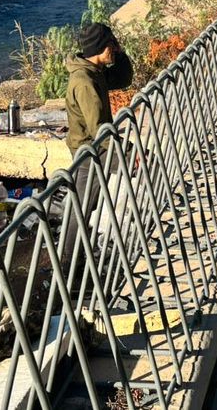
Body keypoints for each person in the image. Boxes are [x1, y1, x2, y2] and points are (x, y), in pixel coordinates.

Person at [60, 23, 133, 259]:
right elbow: (99, 128)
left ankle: (76, 257)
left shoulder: (93, 71)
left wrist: (120, 54)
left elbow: (123, 79)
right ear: (103, 47)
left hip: (96, 145)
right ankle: (69, 262)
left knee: (85, 205)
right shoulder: (85, 81)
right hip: (89, 152)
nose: (115, 48)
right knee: (81, 208)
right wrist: (127, 152)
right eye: (112, 44)